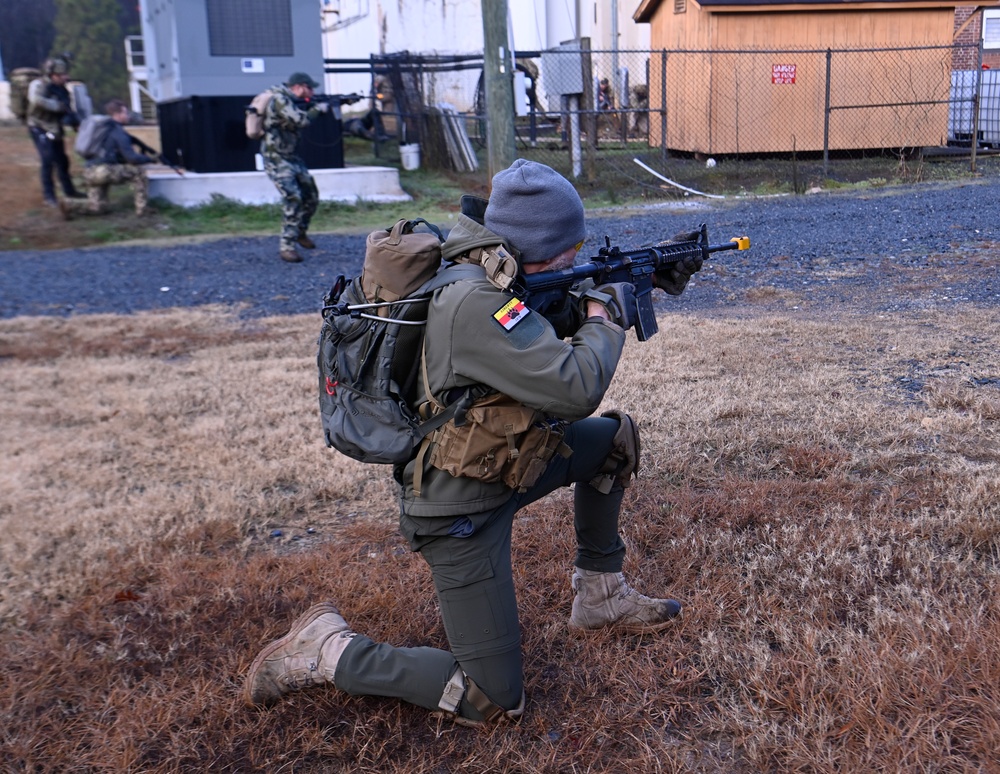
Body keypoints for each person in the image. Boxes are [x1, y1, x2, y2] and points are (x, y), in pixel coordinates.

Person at [243, 159, 704, 727]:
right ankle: (324, 649)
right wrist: (606, 311)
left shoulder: (502, 276)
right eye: (572, 245)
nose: (577, 255)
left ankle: (601, 596)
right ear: (544, 246)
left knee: (614, 441)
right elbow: (575, 385)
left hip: (510, 463)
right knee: (490, 700)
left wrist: (646, 276)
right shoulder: (474, 301)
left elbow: (547, 317)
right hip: (457, 508)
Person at [260, 72, 332, 263]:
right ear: (299, 86)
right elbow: (301, 120)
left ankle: (300, 233)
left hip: (291, 157)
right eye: (310, 88)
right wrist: (317, 109)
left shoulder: (289, 100)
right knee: (293, 198)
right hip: (276, 158)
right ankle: (287, 246)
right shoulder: (280, 99)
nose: (312, 91)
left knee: (311, 196)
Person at [59, 99, 157, 220]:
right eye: (125, 113)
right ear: (117, 114)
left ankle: (69, 204)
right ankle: (143, 209)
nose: (127, 116)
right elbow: (132, 158)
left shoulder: (103, 129)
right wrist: (149, 159)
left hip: (90, 172)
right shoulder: (117, 131)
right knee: (139, 173)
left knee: (99, 208)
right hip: (104, 171)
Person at [27, 56, 84, 207]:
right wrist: (56, 106)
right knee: (48, 160)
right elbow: (36, 101)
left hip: (54, 127)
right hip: (39, 127)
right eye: (63, 74)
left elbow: (67, 109)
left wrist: (76, 124)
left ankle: (69, 190)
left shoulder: (62, 89)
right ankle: (49, 196)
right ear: (53, 75)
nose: (67, 77)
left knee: (62, 161)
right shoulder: (41, 86)